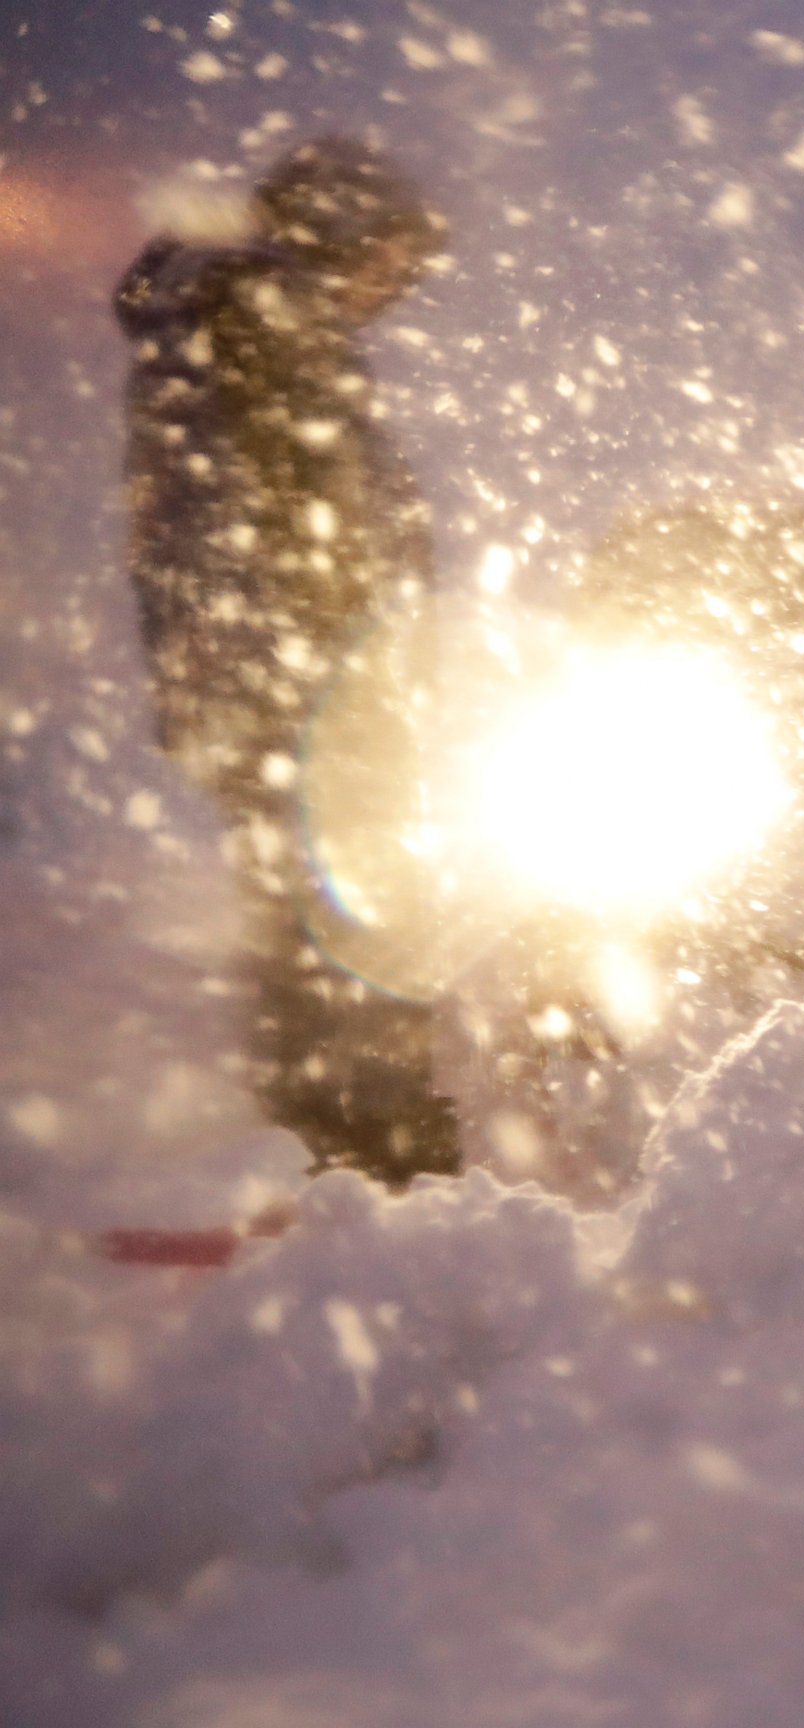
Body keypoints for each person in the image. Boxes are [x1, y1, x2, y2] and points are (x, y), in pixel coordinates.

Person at [115, 136, 461, 1181]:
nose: (392, 288)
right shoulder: (267, 316)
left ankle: (335, 1137)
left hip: (249, 678)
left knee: (301, 903)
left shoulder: (217, 320)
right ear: (335, 232)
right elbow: (311, 516)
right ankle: (371, 1147)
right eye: (387, 259)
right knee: (356, 901)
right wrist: (362, 672)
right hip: (300, 681)